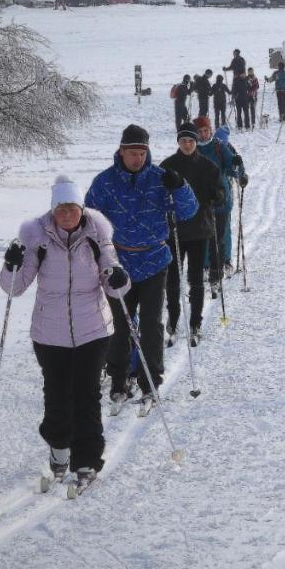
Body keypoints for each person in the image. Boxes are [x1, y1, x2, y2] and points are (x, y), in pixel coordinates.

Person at [0, 175, 130, 488]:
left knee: (86, 395)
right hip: (49, 333)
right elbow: (15, 287)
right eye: (61, 208)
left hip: (93, 330)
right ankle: (59, 448)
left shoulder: (96, 234)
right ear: (53, 209)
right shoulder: (37, 238)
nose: (67, 214)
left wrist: (118, 278)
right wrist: (11, 264)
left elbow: (115, 281)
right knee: (56, 396)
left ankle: (87, 460)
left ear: (81, 208)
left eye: (72, 207)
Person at [85, 124, 198, 407]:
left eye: (141, 153)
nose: (137, 158)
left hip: (154, 260)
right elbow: (89, 220)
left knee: (151, 324)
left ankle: (151, 380)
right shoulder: (105, 182)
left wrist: (181, 186)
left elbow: (189, 210)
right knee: (120, 325)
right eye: (132, 153)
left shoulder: (161, 178)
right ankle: (119, 380)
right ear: (121, 151)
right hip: (119, 263)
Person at [161, 122, 225, 345]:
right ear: (178, 142)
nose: (187, 145)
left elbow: (221, 194)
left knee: (196, 278)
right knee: (172, 279)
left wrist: (215, 195)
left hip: (199, 230)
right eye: (183, 141)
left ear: (196, 142)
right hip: (174, 231)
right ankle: (174, 318)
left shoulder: (208, 166)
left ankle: (195, 321)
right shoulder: (168, 166)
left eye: (190, 141)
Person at [198, 121, 248, 276]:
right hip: (200, 198)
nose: (203, 134)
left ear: (210, 131)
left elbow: (232, 166)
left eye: (206, 130)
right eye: (200, 131)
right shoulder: (193, 147)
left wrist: (240, 173)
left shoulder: (221, 146)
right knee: (203, 231)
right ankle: (206, 264)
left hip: (222, 195)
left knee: (223, 229)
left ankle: (225, 260)